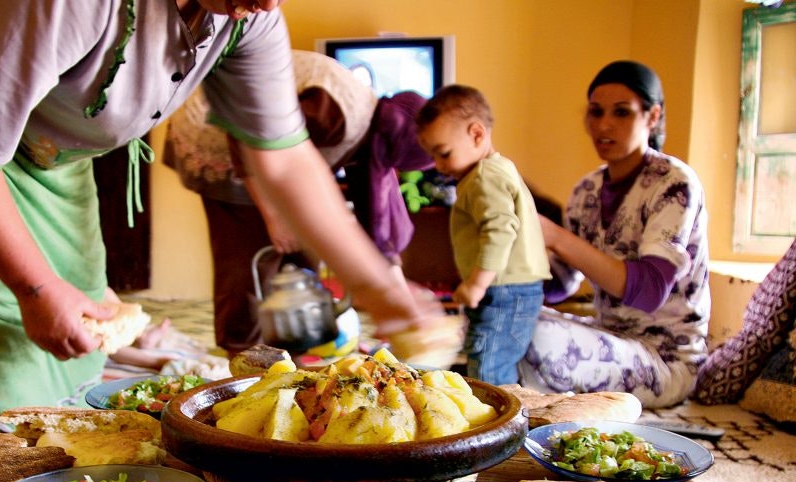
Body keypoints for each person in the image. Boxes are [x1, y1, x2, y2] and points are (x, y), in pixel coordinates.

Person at [0, 1, 448, 450]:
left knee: (85, 305)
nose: (268, 3)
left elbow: (285, 160)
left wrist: (380, 288)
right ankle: (3, 474)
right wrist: (35, 290)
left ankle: (66, 442)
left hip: (47, 126)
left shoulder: (250, 11)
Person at [163, 49, 435, 356]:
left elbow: (369, 227)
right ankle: (243, 357)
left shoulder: (375, 138)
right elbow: (248, 133)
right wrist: (273, 214)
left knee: (305, 258)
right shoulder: (338, 114)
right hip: (217, 131)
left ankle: (297, 352)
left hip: (258, 142)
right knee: (249, 261)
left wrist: (393, 288)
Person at [518, 60, 710, 408]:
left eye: (622, 112)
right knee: (502, 319)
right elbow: (562, 284)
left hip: (665, 359)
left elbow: (649, 291)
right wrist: (509, 261)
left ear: (652, 117)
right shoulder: (586, 191)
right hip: (610, 337)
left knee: (536, 338)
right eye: (596, 112)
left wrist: (555, 235)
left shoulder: (675, 183)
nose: (604, 125)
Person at [414, 85, 550, 385]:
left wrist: (476, 283)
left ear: (476, 134)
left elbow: (500, 230)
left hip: (505, 291)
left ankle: (501, 427)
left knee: (488, 368)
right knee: (488, 358)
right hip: (510, 289)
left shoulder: (484, 177)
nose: (438, 166)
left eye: (444, 153)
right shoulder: (493, 170)